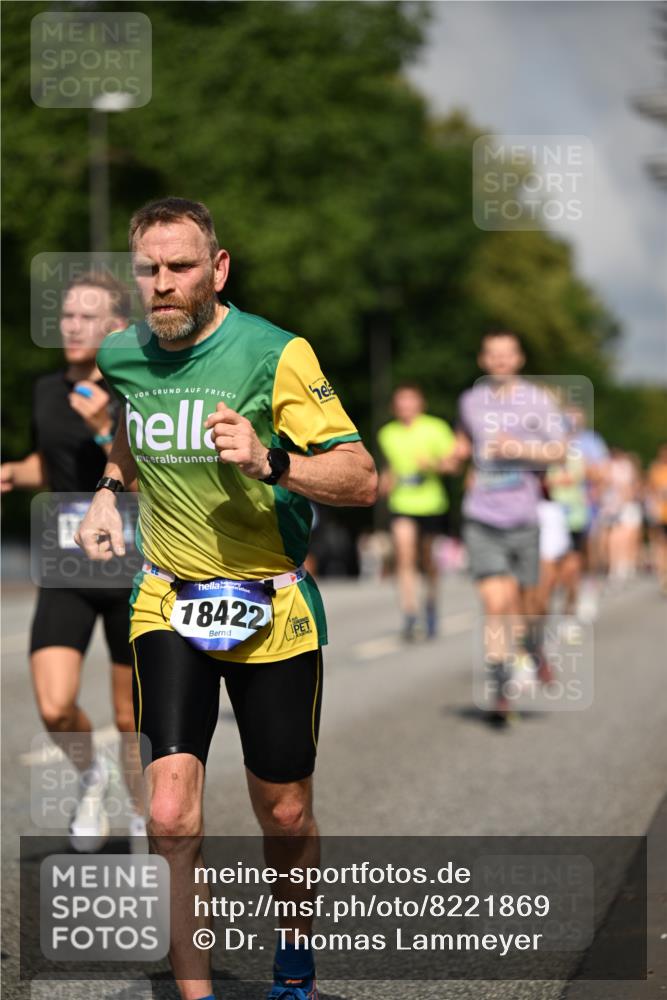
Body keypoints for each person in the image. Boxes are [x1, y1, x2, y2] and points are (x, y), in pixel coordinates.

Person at [75, 197, 378, 1000]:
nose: (164, 284)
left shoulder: (275, 353)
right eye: (150, 270)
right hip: (166, 600)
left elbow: (359, 476)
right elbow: (130, 428)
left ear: (218, 269)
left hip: (270, 608)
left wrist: (269, 461)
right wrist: (110, 487)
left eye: (180, 267)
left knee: (283, 815)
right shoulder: (123, 353)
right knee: (170, 815)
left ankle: (293, 961)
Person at [0, 271, 146, 849]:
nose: (74, 327)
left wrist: (105, 428)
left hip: (131, 564)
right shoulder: (47, 390)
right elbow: (50, 461)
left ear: (116, 327)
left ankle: (141, 813)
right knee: (56, 706)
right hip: (68, 564)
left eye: (89, 317)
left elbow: (157, 475)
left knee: (132, 718)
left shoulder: (139, 388)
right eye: (67, 316)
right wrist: (14, 472)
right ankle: (93, 774)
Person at [455, 331, 566, 722]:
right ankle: (500, 683)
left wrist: (519, 450)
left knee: (528, 606)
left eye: (507, 354)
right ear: (484, 360)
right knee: (495, 602)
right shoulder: (471, 401)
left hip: (524, 516)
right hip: (482, 515)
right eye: (493, 354)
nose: (500, 360)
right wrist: (455, 457)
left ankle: (534, 647)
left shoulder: (539, 400)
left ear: (518, 359)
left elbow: (560, 450)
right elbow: (464, 443)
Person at [377, 384, 457, 640]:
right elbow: (391, 465)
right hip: (402, 504)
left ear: (421, 404)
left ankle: (431, 602)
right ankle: (410, 613)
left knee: (428, 561)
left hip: (432, 503)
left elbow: (453, 465)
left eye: (410, 401)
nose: (406, 406)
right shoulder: (387, 433)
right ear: (394, 406)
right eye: (401, 402)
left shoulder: (436, 428)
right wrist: (385, 480)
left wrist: (432, 464)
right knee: (404, 555)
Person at [647, 443, 667, 594]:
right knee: (661, 546)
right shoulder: (656, 470)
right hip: (662, 515)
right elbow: (651, 492)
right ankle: (663, 577)